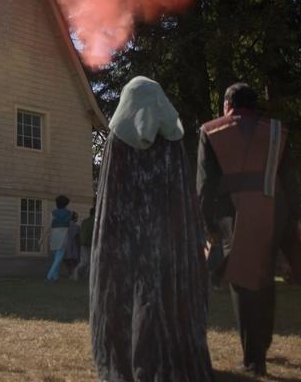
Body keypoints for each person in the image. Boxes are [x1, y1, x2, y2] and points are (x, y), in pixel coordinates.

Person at [90, 76, 214, 381]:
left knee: (130, 296)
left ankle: (132, 358)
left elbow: (112, 199)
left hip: (127, 241)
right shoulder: (171, 140)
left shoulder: (120, 140)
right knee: (160, 296)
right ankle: (164, 358)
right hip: (166, 241)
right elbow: (181, 201)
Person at [196, 82, 301, 377]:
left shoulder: (211, 130)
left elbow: (205, 183)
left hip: (233, 215)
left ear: (227, 105)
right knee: (264, 279)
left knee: (243, 284)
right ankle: (263, 344)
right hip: (273, 213)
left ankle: (253, 359)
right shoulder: (276, 132)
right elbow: (289, 178)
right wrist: (295, 217)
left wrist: (208, 223)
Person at [46, 195, 72, 282]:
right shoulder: (69, 213)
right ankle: (50, 275)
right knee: (59, 256)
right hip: (64, 233)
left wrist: (45, 235)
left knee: (57, 256)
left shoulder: (53, 212)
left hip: (55, 233)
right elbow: (70, 224)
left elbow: (50, 225)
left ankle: (55, 277)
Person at [71, 207, 95, 281]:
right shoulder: (94, 221)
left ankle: (84, 275)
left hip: (83, 243)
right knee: (88, 261)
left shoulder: (85, 221)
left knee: (85, 261)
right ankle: (77, 273)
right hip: (90, 243)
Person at [62, 211, 82, 278]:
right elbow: (77, 236)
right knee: (73, 261)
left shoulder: (65, 225)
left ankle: (70, 274)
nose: (77, 218)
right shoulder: (76, 226)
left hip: (65, 244)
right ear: (74, 218)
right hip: (73, 244)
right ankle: (72, 274)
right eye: (77, 217)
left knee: (68, 260)